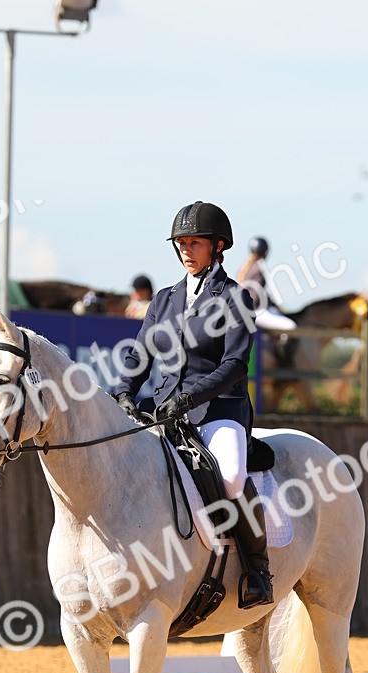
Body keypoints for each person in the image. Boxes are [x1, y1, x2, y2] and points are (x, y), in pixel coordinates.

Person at [112, 201, 274, 609]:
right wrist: (124, 391)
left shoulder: (237, 298)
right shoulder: (164, 300)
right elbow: (140, 353)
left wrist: (190, 397)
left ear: (218, 246)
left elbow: (236, 365)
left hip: (218, 410)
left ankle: (257, 570)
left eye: (194, 242)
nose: (186, 250)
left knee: (233, 477)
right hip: (165, 411)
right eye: (181, 243)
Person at [236, 236, 296, 333]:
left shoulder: (245, 267)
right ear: (266, 252)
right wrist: (272, 305)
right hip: (255, 311)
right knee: (290, 326)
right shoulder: (258, 267)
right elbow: (256, 296)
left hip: (243, 310)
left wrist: (273, 305)